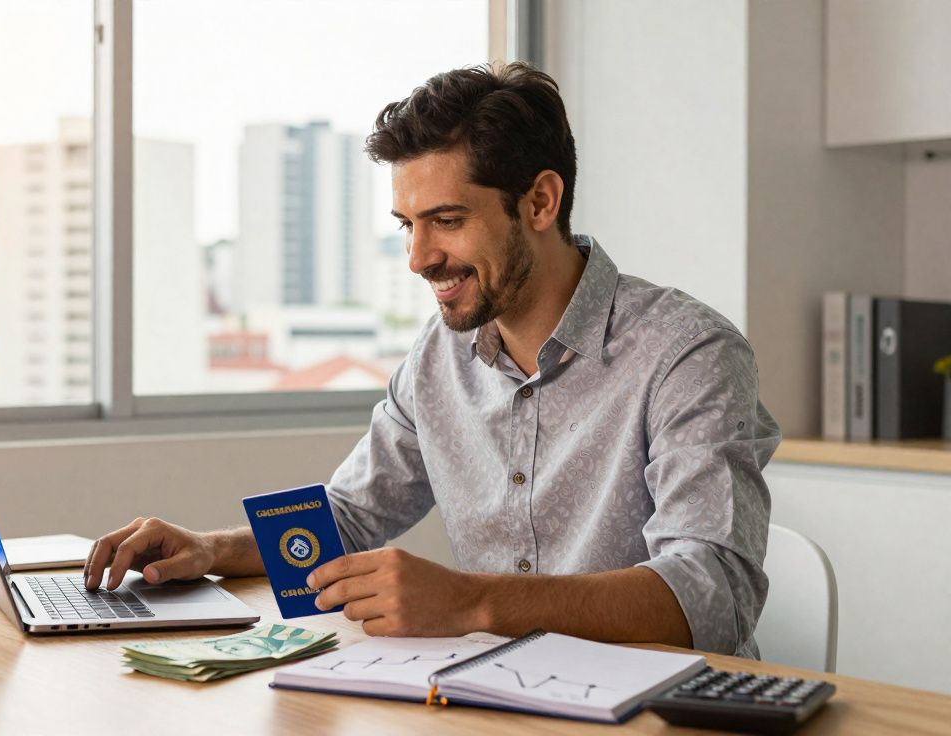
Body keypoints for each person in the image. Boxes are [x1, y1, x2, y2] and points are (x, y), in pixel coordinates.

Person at [85, 62, 780, 658]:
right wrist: (211, 550)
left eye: (446, 221)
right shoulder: (440, 355)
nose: (418, 259)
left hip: (662, 712)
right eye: (407, 227)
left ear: (541, 201)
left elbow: (711, 595)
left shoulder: (687, 352)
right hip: (503, 701)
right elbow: (349, 518)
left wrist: (471, 603)